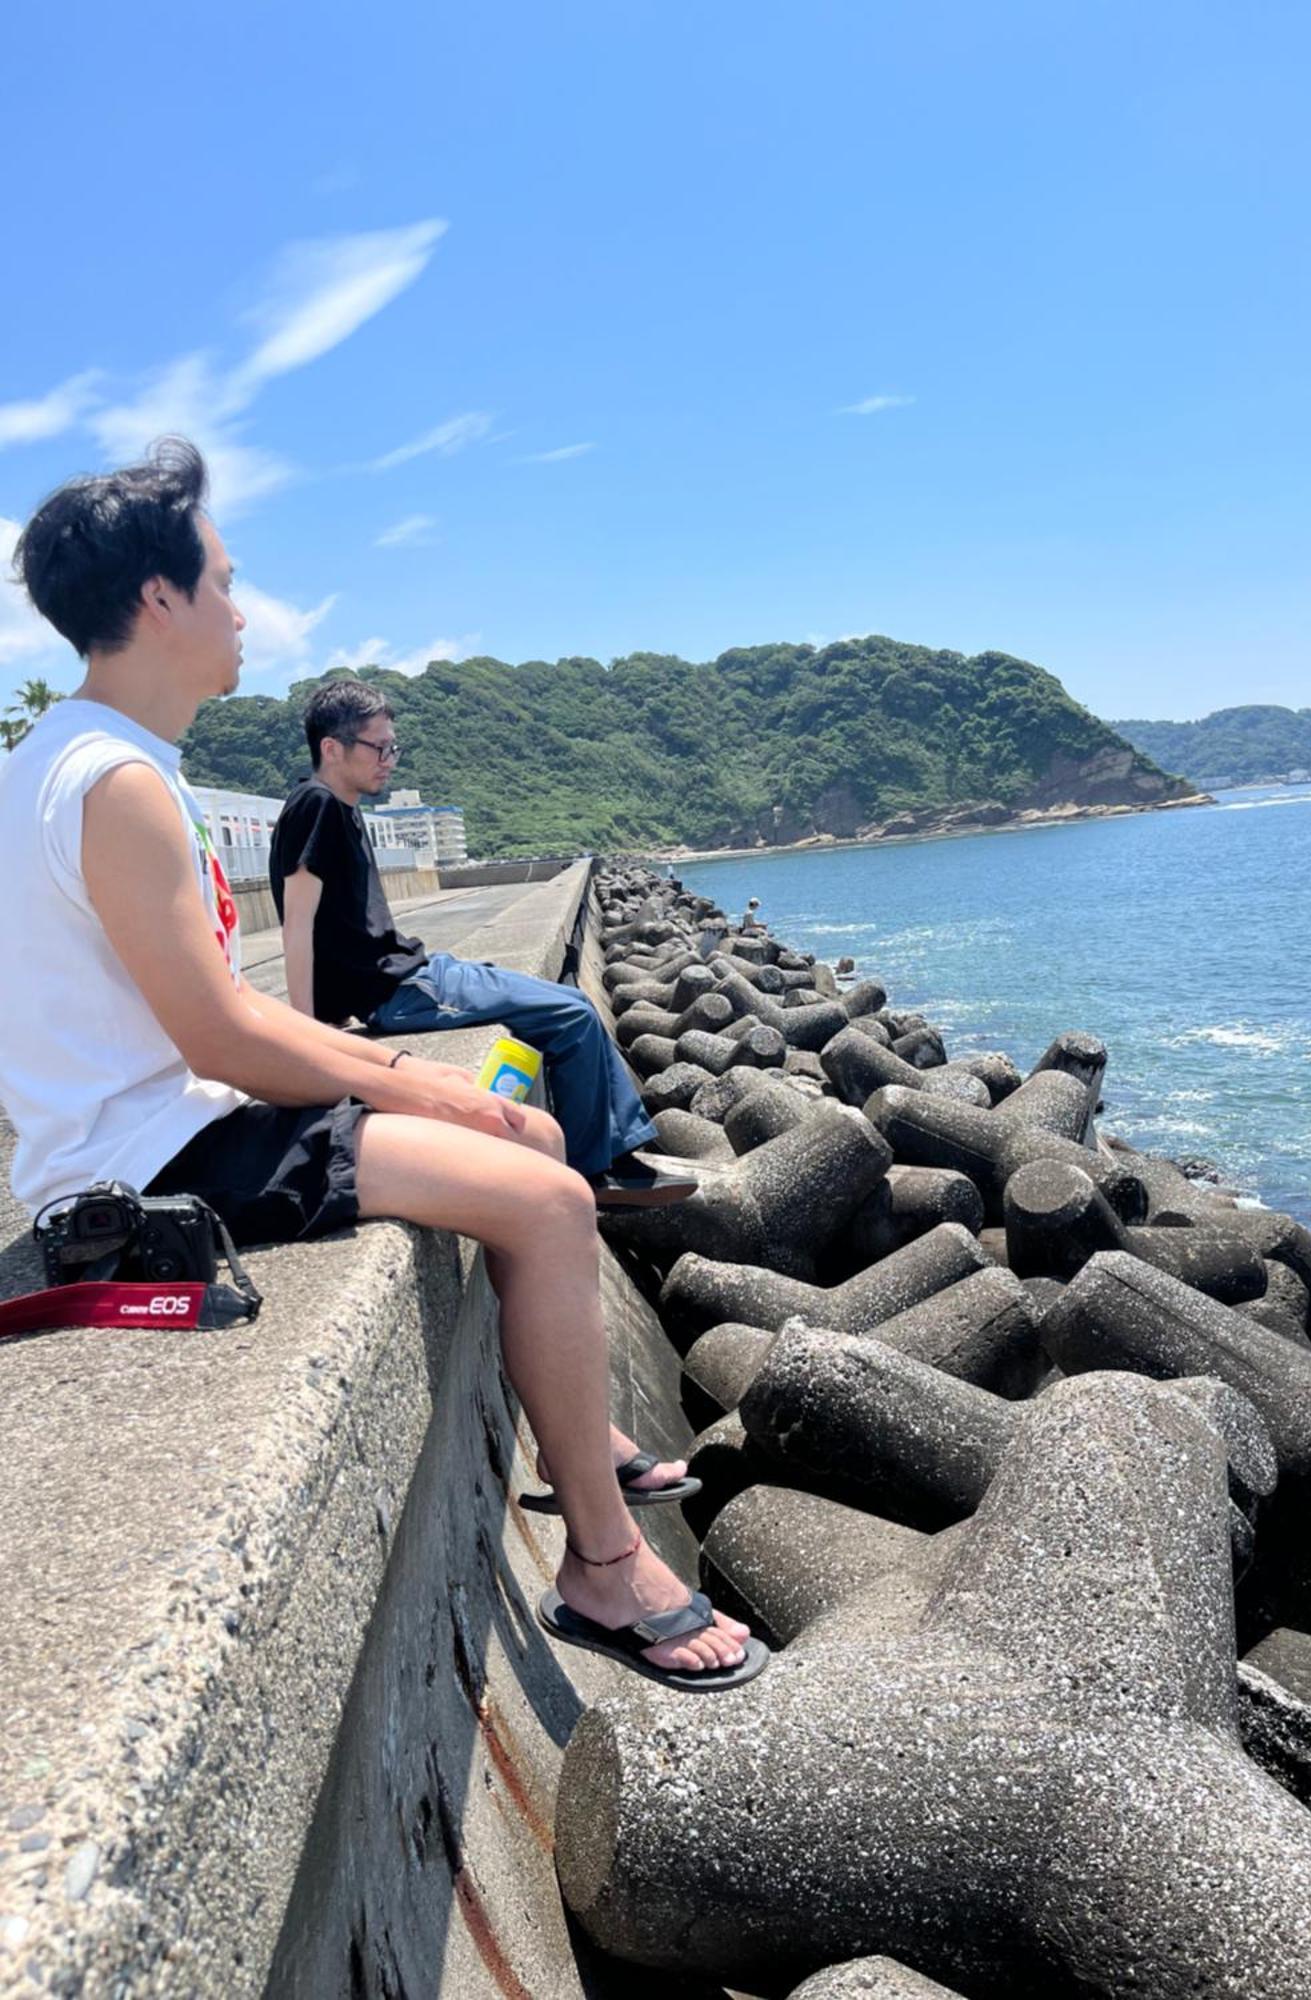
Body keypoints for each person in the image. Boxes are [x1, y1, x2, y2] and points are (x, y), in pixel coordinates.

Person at [0, 439, 761, 1691]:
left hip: (164, 1127)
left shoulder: (80, 762)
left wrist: (398, 1081)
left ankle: (582, 1440)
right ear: (157, 599)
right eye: (224, 580)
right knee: (548, 1189)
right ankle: (606, 1564)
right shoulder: (113, 781)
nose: (242, 610)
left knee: (528, 1137)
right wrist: (414, 1080)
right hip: (147, 1170)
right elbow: (220, 1035)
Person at [268, 680, 692, 1208]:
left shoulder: (340, 806)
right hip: (398, 991)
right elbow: (297, 924)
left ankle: (618, 1152)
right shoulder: (317, 806)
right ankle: (595, 1169)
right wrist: (309, 1038)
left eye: (393, 747)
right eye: (379, 748)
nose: (390, 760)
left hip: (417, 971)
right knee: (572, 1015)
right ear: (332, 748)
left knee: (577, 1004)